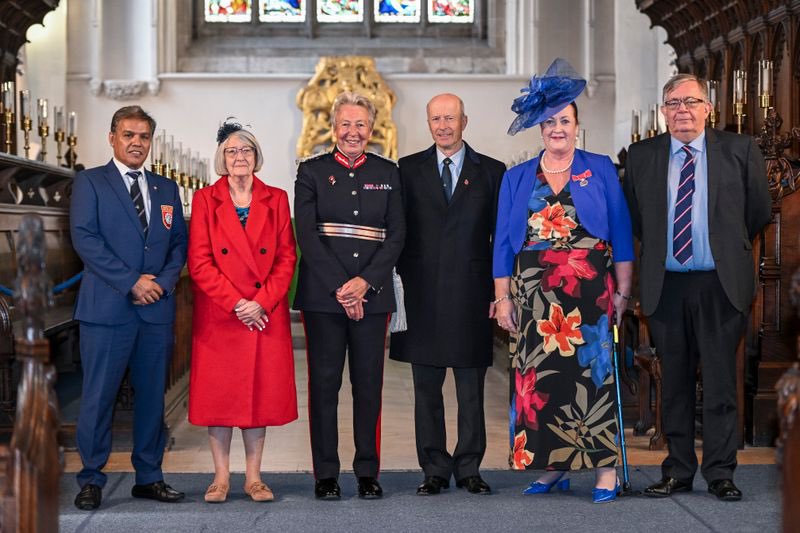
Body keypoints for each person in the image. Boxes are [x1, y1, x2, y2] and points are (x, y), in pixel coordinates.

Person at [623, 73, 771, 502]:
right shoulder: (642, 156)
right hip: (666, 286)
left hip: (720, 283)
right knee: (675, 383)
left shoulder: (740, 150)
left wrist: (721, 245)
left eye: (691, 102)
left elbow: (757, 211)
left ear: (709, 109)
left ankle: (721, 472)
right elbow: (638, 218)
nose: (682, 110)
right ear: (663, 112)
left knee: (722, 382)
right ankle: (678, 471)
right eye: (673, 103)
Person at [492, 58, 634, 503]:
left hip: (589, 292)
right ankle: (554, 467)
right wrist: (502, 298)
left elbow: (623, 235)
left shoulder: (601, 168)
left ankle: (605, 470)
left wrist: (624, 291)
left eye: (565, 121)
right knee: (544, 381)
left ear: (577, 126)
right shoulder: (516, 177)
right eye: (550, 121)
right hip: (534, 295)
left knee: (593, 378)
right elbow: (501, 245)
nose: (558, 128)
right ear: (540, 128)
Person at [70, 105, 188, 510]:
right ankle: (90, 478)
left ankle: (149, 476)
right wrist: (131, 282)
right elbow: (86, 240)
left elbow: (178, 246)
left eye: (143, 137)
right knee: (98, 397)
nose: (136, 143)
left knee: (152, 398)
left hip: (155, 311)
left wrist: (163, 282)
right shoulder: (91, 183)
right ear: (112, 137)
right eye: (128, 135)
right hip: (107, 310)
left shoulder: (165, 188)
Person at [390, 93, 505, 496]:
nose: (443, 125)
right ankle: (435, 468)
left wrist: (500, 290)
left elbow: (500, 240)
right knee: (426, 390)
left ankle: (470, 467)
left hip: (472, 295)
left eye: (450, 118)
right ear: (428, 123)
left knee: (471, 387)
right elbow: (397, 231)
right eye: (436, 118)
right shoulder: (407, 170)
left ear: (464, 121)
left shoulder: (491, 171)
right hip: (421, 293)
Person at [294, 91, 405, 500]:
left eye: (360, 124)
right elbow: (307, 234)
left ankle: (366, 471)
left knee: (367, 386)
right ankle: (325, 473)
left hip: (372, 297)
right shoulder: (312, 172)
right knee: (324, 385)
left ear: (371, 129)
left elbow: (397, 235)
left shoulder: (388, 172)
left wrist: (365, 283)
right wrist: (343, 287)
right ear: (333, 126)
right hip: (324, 298)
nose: (353, 132)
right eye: (346, 124)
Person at [187, 121, 298, 503]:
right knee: (220, 398)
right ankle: (220, 477)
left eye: (246, 151)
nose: (239, 158)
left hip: (263, 314)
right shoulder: (205, 199)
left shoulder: (277, 198)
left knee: (257, 398)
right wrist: (237, 303)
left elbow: (287, 257)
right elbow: (199, 262)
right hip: (222, 313)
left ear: (256, 158)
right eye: (232, 152)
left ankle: (254, 477)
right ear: (222, 158)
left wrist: (261, 302)